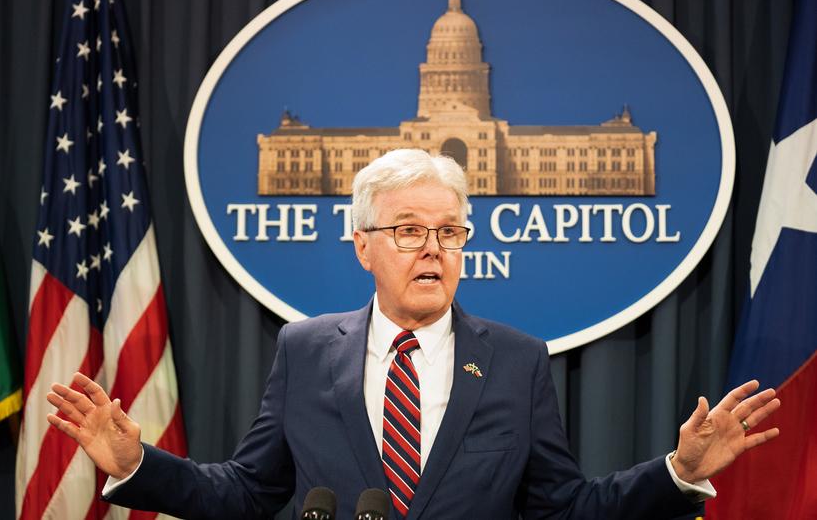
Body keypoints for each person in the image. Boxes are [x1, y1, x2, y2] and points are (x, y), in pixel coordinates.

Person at [47, 149, 780, 519]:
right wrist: (138, 463)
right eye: (408, 230)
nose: (433, 249)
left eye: (449, 232)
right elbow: (248, 491)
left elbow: (564, 509)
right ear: (363, 245)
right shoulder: (306, 350)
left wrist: (678, 473)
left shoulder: (517, 361)